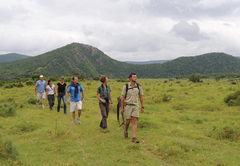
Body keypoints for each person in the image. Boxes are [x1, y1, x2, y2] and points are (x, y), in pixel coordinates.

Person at [121, 72, 144, 143]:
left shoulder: (138, 86)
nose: (135, 78)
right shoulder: (126, 86)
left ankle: (134, 137)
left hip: (135, 105)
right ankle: (126, 131)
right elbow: (122, 98)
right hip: (128, 105)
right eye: (134, 77)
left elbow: (141, 96)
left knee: (134, 120)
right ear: (130, 78)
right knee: (128, 121)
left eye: (136, 77)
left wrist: (142, 106)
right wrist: (122, 108)